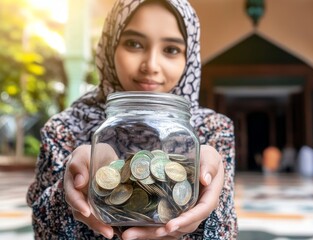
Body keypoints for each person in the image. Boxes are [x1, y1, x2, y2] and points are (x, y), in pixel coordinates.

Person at [26, 0, 237, 239]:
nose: (151, 66)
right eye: (134, 44)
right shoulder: (63, 129)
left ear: (189, 59)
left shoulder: (213, 129)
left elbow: (226, 233)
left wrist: (212, 203)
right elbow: (42, 229)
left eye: (171, 49)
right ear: (110, 46)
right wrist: (70, 194)